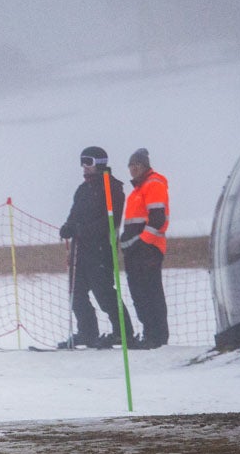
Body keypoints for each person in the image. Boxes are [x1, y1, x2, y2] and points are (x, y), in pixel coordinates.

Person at [58, 146, 135, 349]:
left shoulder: (111, 188)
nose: (84, 166)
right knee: (76, 292)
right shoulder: (83, 189)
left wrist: (82, 230)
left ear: (99, 163)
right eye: (82, 161)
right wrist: (68, 227)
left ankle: (123, 332)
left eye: (88, 162)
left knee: (104, 293)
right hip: (80, 251)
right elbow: (74, 215)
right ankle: (87, 332)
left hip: (100, 250)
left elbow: (110, 221)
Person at [120, 147, 170, 349]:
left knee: (150, 292)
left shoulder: (153, 184)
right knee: (139, 293)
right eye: (130, 166)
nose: (132, 169)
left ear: (144, 166)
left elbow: (158, 219)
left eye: (136, 165)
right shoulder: (137, 190)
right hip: (136, 250)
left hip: (148, 250)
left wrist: (142, 242)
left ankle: (156, 336)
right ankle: (149, 332)